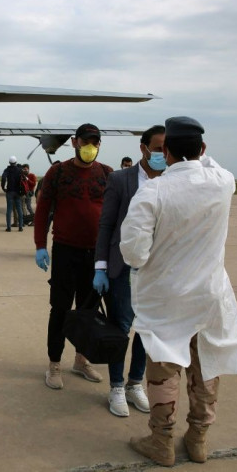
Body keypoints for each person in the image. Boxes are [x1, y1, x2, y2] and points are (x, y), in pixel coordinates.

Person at [120, 117, 237, 466]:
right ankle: (198, 438)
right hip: (210, 296)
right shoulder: (222, 182)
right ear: (202, 150)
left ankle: (162, 441)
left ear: (167, 152)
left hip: (166, 299)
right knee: (206, 367)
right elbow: (209, 163)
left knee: (164, 370)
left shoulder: (153, 191)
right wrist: (196, 156)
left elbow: (133, 252)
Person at [33, 123, 114, 390]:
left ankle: (81, 359)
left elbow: (116, 214)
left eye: (96, 142)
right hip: (66, 250)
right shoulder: (58, 172)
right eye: (86, 141)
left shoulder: (106, 174)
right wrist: (40, 245)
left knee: (88, 312)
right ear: (74, 142)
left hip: (97, 255)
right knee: (60, 309)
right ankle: (54, 363)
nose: (91, 146)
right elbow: (43, 209)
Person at [93, 125, 166, 418]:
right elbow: (106, 224)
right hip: (123, 267)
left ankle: (136, 384)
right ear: (144, 148)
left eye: (166, 149)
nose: (163, 154)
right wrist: (100, 266)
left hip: (156, 270)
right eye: (158, 148)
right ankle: (116, 386)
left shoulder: (173, 181)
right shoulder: (120, 179)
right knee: (121, 327)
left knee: (146, 332)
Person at [1, 156, 24, 231]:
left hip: (10, 191)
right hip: (18, 192)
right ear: (16, 162)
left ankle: (9, 227)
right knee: (19, 209)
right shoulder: (20, 170)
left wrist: (3, 187)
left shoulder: (7, 170)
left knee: (9, 210)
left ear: (9, 162)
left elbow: (3, 178)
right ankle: (20, 227)